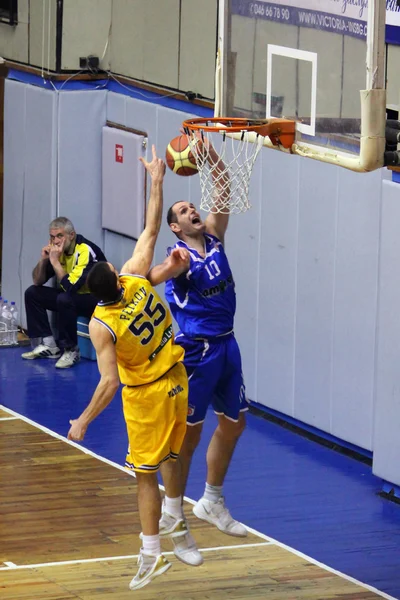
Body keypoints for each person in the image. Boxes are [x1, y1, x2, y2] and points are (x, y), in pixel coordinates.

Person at [67, 146, 203, 592]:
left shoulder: (101, 325)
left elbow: (108, 382)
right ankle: (176, 522)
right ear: (114, 272)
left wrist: (83, 421)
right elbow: (150, 225)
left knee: (144, 476)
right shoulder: (136, 275)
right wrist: (157, 179)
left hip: (146, 395)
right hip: (178, 379)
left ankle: (151, 552)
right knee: (173, 456)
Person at [147, 141, 248, 538]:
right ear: (176, 226)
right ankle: (173, 512)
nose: (193, 210)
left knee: (236, 424)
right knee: (187, 437)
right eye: (185, 210)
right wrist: (170, 267)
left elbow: (223, 185)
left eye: (193, 206)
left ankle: (211, 499)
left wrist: (210, 155)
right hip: (196, 352)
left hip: (227, 344)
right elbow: (151, 277)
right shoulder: (179, 257)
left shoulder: (216, 237)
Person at [21, 217, 106, 368]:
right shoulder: (59, 252)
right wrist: (44, 260)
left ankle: (71, 350)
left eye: (60, 236)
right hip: (74, 296)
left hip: (96, 300)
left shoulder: (85, 250)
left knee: (64, 298)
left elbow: (70, 288)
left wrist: (54, 262)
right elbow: (38, 281)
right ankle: (49, 345)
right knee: (32, 293)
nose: (55, 241)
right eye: (52, 237)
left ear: (71, 235)